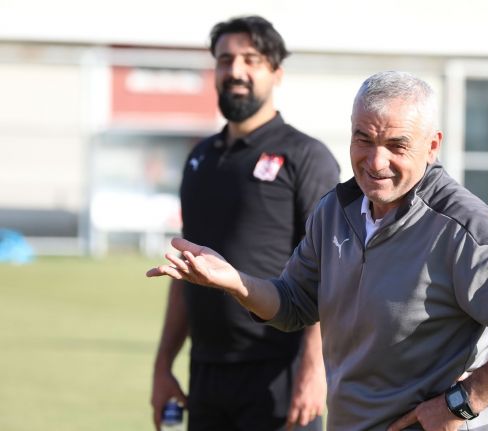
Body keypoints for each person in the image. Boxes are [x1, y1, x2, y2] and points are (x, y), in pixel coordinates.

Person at [147, 71, 488, 431]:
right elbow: (293, 304)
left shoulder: (462, 226)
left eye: (396, 146)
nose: (375, 161)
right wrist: (235, 281)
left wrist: (462, 404)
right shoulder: (336, 209)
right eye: (363, 139)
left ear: (432, 145)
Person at [150, 16, 339, 431]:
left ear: (277, 73)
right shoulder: (200, 158)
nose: (236, 70)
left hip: (280, 373)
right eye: (225, 60)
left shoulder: (306, 157)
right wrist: (163, 366)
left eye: (251, 60)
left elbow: (330, 270)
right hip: (207, 374)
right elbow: (185, 271)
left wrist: (315, 368)